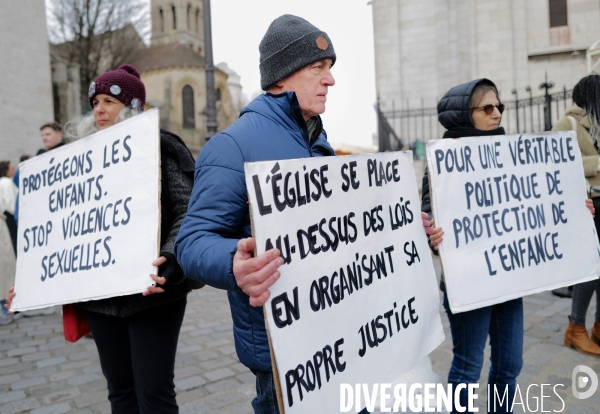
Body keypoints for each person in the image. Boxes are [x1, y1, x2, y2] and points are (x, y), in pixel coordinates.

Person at [175, 14, 434, 413]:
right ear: (281, 78)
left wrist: (399, 227)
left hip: (341, 343)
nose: (330, 80)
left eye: (329, 69)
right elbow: (191, 242)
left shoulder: (320, 142)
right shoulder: (232, 147)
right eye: (318, 69)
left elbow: (342, 230)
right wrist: (234, 264)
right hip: (283, 359)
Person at [6, 64, 200, 413]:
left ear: (132, 107)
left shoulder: (159, 149)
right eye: (95, 101)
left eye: (109, 101)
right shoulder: (78, 162)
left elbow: (187, 211)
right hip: (101, 300)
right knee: (120, 391)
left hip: (152, 295)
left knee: (154, 391)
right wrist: (31, 281)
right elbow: (59, 231)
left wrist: (171, 259)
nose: (99, 109)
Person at [422, 79, 522, 413]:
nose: (497, 114)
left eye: (499, 107)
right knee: (467, 367)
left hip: (507, 276)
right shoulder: (442, 161)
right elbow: (427, 216)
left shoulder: (510, 154)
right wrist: (433, 237)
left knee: (510, 363)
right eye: (487, 108)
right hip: (466, 281)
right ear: (467, 114)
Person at [554, 74, 600, 357]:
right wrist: (597, 163)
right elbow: (551, 160)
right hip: (587, 204)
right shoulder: (568, 123)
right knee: (590, 268)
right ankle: (576, 327)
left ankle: (598, 325)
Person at [0, 161, 18, 253]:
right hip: (9, 216)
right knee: (13, 242)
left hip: (5, 215)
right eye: (12, 169)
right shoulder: (6, 182)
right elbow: (10, 202)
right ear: (6, 171)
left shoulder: (2, 182)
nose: (14, 170)